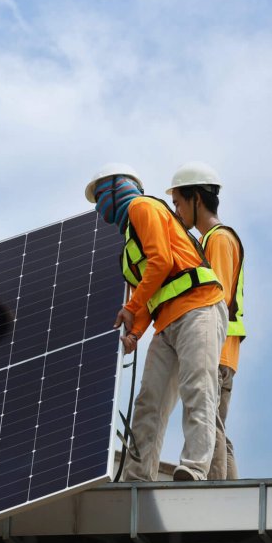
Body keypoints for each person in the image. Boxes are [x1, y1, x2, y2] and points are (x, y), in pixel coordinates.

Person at [85, 163, 228, 482]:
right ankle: (138, 476)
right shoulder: (128, 248)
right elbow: (152, 295)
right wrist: (135, 331)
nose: (98, 207)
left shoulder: (142, 206)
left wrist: (130, 307)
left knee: (197, 387)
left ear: (114, 188)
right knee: (150, 400)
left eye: (99, 197)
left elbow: (162, 261)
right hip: (167, 324)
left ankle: (194, 468)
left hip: (200, 307)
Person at [168, 162, 245, 480]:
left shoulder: (218, 240)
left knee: (208, 429)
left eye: (178, 202)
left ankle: (216, 503)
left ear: (196, 199)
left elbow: (217, 300)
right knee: (215, 430)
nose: (176, 211)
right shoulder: (210, 240)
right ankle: (233, 504)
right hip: (220, 350)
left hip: (216, 349)